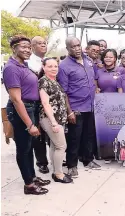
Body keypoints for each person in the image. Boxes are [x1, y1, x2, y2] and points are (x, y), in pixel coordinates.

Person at [4, 35, 50, 195]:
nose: (27, 50)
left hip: (31, 107)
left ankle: (32, 176)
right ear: (14, 48)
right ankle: (29, 184)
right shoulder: (11, 68)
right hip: (22, 109)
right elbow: (16, 99)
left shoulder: (23, 65)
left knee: (29, 147)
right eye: (23, 46)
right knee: (23, 149)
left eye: (29, 47)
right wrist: (29, 124)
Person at [58, 37, 101, 178]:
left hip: (90, 106)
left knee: (88, 135)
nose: (76, 49)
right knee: (74, 138)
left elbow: (94, 78)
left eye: (78, 45)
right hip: (76, 108)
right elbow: (63, 91)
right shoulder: (64, 66)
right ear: (67, 49)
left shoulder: (88, 60)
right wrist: (69, 111)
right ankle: (71, 165)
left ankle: (88, 160)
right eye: (73, 47)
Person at [38, 58, 73, 184]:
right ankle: (59, 174)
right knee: (61, 146)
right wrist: (53, 122)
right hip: (50, 119)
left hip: (58, 118)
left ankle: (55, 171)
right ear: (43, 67)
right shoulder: (44, 81)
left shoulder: (54, 81)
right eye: (50, 66)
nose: (53, 69)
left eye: (55, 66)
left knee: (54, 145)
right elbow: (45, 103)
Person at [26, 36, 50, 174]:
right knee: (38, 133)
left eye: (44, 43)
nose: (43, 45)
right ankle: (42, 162)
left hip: (49, 102)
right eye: (39, 43)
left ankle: (55, 157)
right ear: (32, 47)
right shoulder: (28, 63)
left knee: (52, 129)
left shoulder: (49, 61)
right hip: (35, 102)